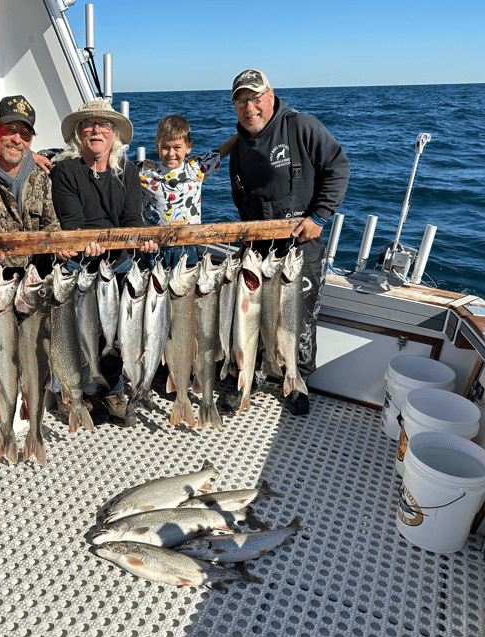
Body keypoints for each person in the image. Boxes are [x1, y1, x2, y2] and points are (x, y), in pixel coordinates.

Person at [228, 69, 350, 416]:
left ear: (270, 95)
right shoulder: (238, 146)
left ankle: (297, 382)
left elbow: (338, 167)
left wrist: (319, 217)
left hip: (301, 245)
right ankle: (249, 379)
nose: (249, 107)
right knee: (253, 317)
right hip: (258, 247)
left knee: (300, 320)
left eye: (255, 98)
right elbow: (241, 199)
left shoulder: (302, 126)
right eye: (240, 102)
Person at [50, 100, 157, 424]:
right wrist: (87, 244)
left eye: (104, 125)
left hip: (119, 264)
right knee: (73, 330)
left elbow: (131, 218)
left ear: (114, 135)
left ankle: (113, 388)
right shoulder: (65, 170)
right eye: (89, 124)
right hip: (81, 263)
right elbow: (73, 223)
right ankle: (72, 390)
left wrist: (143, 239)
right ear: (79, 134)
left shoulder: (129, 171)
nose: (96, 130)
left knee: (120, 330)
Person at [0, 94, 102, 274]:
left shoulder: (40, 176)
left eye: (25, 134)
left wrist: (60, 248)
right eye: (10, 130)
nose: (17, 140)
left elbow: (50, 225)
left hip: (36, 279)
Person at [137, 114, 237, 267]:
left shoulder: (196, 167)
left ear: (188, 146)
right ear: (156, 146)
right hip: (154, 247)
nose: (171, 154)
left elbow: (226, 148)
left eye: (177, 147)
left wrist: (252, 128)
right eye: (165, 147)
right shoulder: (144, 171)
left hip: (188, 245)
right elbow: (115, 168)